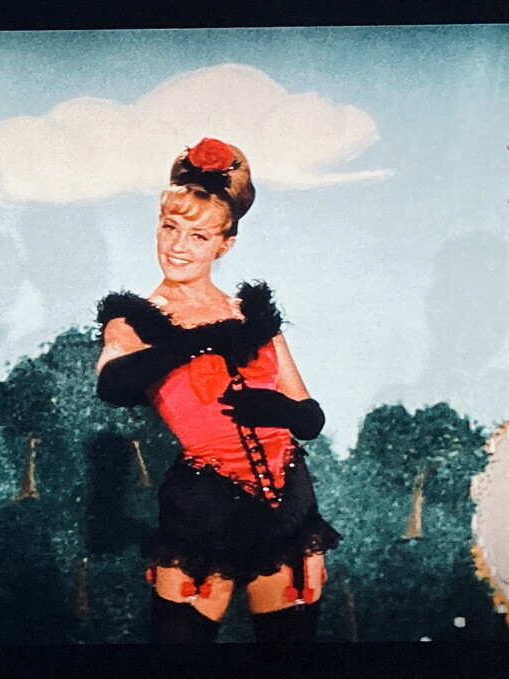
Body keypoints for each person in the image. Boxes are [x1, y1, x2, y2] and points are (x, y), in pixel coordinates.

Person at [94, 138, 340, 643]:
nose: (178, 246)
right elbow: (113, 384)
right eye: (170, 228)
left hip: (288, 505)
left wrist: (278, 409)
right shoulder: (134, 318)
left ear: (224, 244)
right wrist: (196, 342)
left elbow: (310, 418)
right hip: (205, 509)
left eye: (198, 236)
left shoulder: (252, 315)